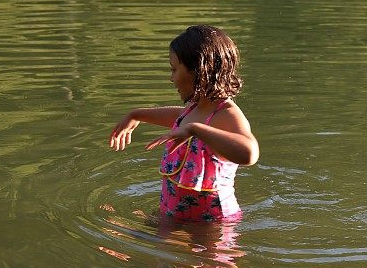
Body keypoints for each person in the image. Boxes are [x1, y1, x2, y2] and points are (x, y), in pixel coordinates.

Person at [109, 25, 258, 222]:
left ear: (199, 70)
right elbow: (178, 117)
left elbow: (249, 153)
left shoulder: (227, 114)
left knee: (146, 243)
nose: (171, 78)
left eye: (174, 69)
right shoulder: (195, 108)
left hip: (211, 226)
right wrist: (137, 114)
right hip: (177, 216)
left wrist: (195, 130)